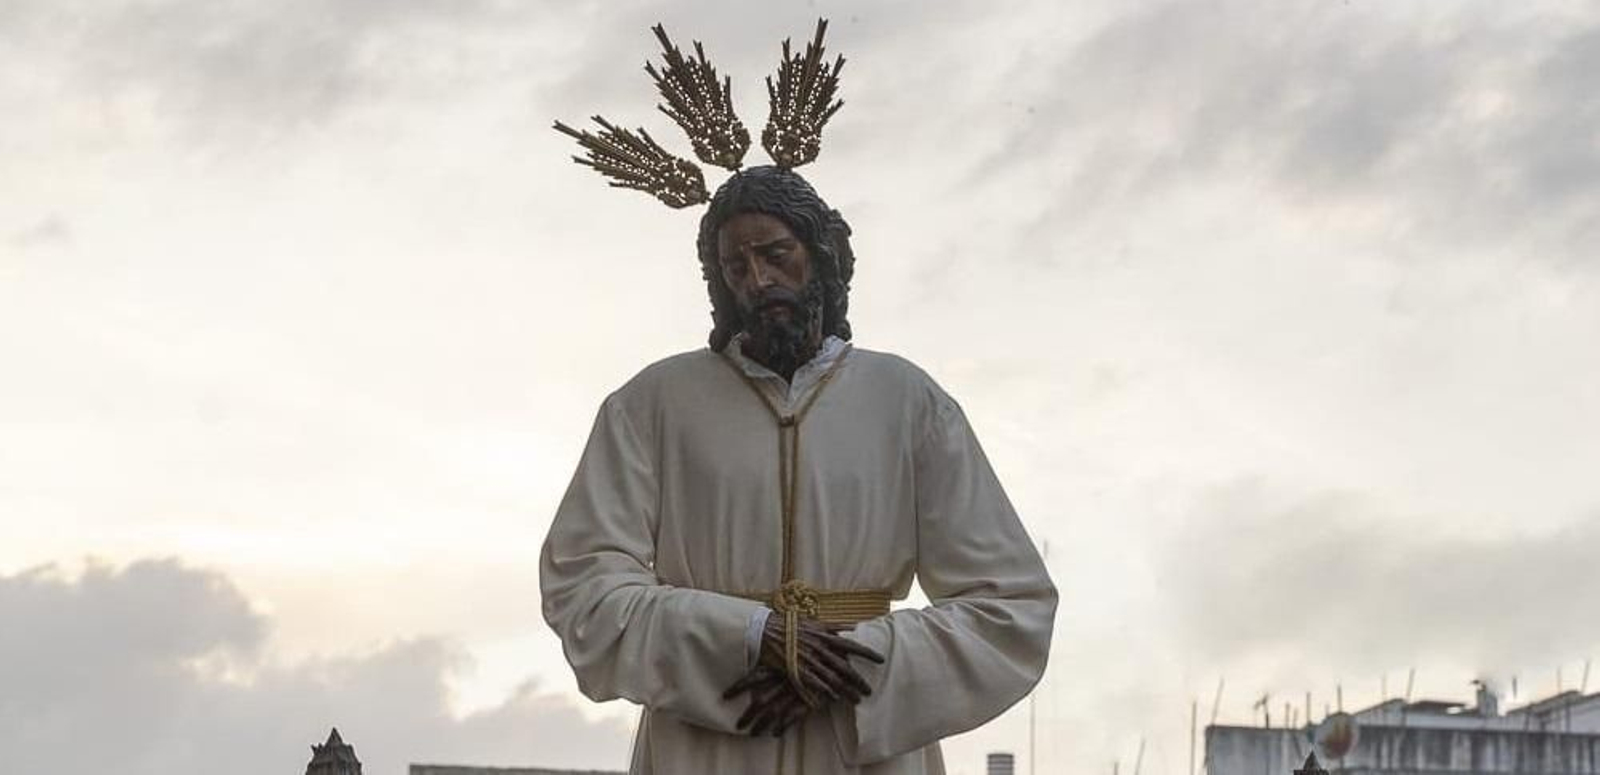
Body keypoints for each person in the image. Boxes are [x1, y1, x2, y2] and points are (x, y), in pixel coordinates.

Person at [541, 22, 1056, 775]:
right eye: (735, 266)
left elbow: (1010, 608)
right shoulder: (650, 406)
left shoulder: (908, 401)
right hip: (708, 740)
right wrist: (747, 638)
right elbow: (583, 590)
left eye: (775, 254)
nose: (758, 281)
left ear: (821, 256)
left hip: (864, 738)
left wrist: (852, 664)